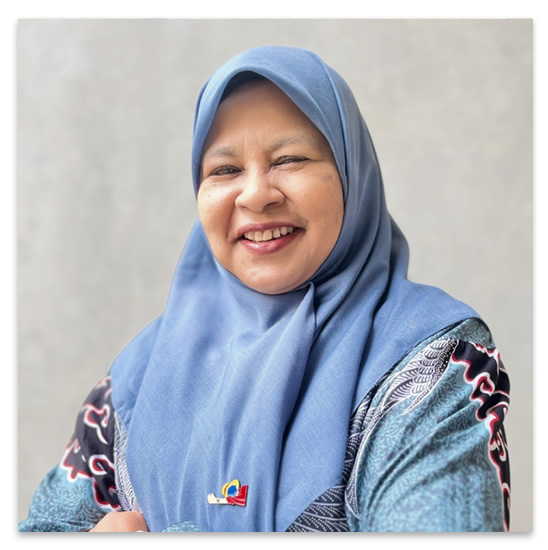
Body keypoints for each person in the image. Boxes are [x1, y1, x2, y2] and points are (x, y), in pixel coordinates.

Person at [19, 45, 510, 533]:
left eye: (289, 159)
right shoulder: (136, 377)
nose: (256, 195)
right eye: (224, 170)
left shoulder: (432, 359)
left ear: (351, 174)